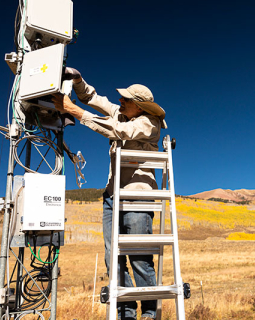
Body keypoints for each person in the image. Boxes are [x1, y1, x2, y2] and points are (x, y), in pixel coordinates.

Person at [52, 68, 166, 320]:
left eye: (126, 99)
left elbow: (117, 131)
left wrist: (73, 111)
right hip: (112, 198)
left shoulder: (149, 123)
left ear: (140, 106)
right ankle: (125, 312)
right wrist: (78, 80)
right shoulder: (123, 114)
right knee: (112, 259)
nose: (120, 102)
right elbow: (93, 98)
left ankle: (149, 314)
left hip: (138, 198)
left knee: (139, 258)